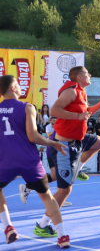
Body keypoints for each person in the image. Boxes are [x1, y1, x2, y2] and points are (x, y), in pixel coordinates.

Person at [33, 66, 100, 238]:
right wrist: (77, 117)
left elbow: (86, 113)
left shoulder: (81, 91)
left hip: (78, 142)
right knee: (64, 190)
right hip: (65, 146)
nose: (90, 75)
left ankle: (79, 167)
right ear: (80, 77)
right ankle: (42, 225)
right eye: (87, 73)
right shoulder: (71, 91)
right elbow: (54, 110)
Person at [0, 76, 70, 247]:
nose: (20, 86)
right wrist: (52, 142)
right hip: (28, 159)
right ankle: (62, 237)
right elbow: (32, 136)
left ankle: (8, 227)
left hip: (5, 160)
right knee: (47, 197)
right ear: (13, 89)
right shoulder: (27, 107)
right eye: (18, 84)